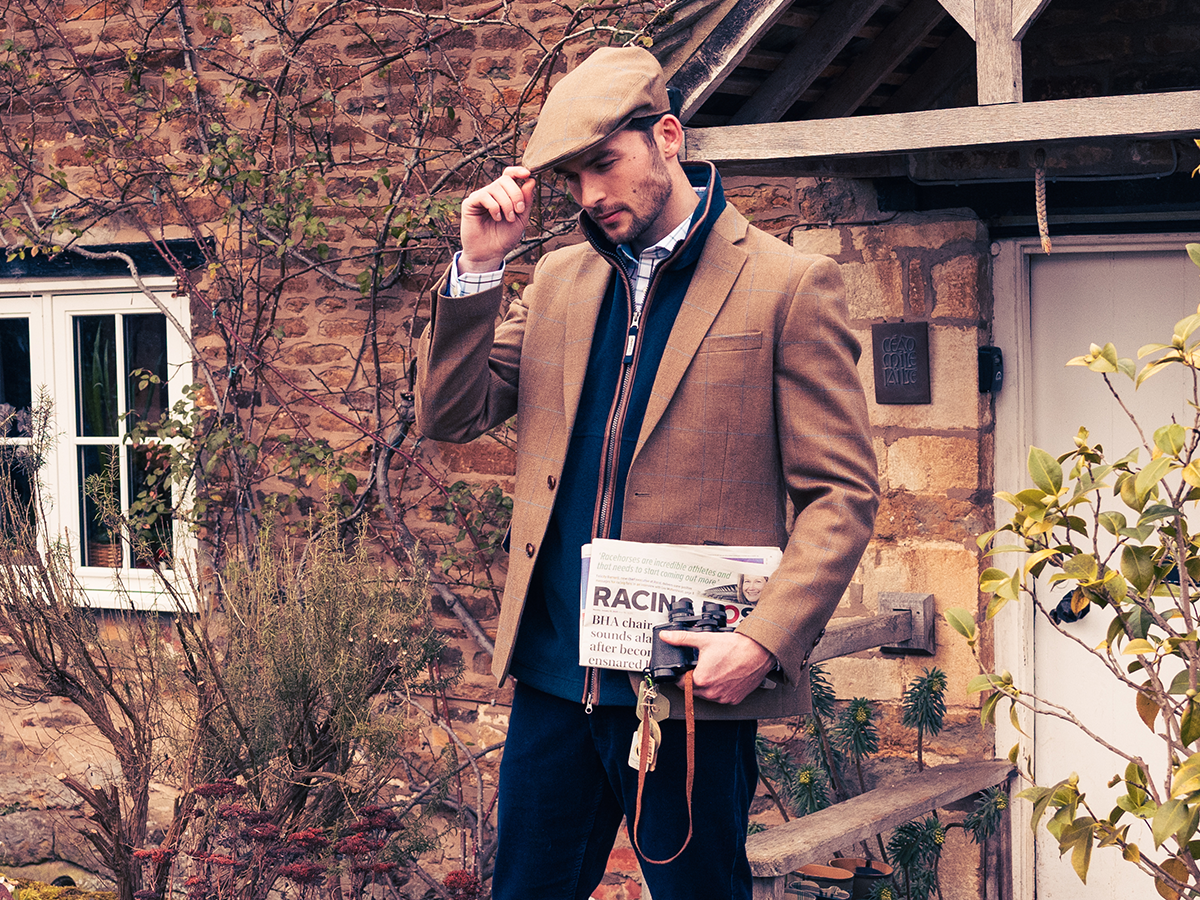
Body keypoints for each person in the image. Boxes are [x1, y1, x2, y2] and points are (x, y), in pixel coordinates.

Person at [415, 46, 878, 900]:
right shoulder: (557, 279)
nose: (591, 195)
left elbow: (841, 493)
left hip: (686, 694)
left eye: (605, 164)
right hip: (553, 681)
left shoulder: (786, 284)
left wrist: (766, 640)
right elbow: (451, 415)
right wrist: (479, 267)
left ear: (667, 136)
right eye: (573, 179)